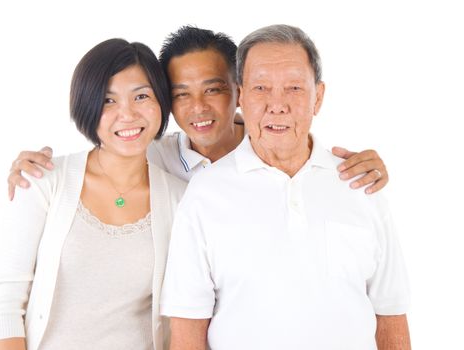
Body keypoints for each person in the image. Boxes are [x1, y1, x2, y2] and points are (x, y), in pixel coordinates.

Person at [160, 25, 411, 350]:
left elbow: (390, 314)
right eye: (261, 88)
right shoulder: (204, 193)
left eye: (293, 88)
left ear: (318, 97)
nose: (276, 105)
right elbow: (187, 331)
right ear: (243, 95)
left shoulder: (360, 183)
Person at [6, 26, 388, 196]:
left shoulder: (274, 149)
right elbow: (102, 159)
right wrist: (39, 170)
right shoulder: (153, 157)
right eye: (181, 94)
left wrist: (367, 167)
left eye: (214, 89)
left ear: (239, 91)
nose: (199, 108)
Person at [0, 39, 186, 350]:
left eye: (142, 96)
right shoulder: (43, 180)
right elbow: (5, 302)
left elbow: (181, 314)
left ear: (161, 101)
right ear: (87, 106)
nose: (128, 114)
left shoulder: (180, 200)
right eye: (108, 101)